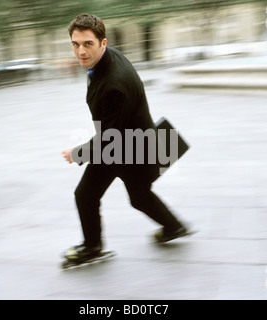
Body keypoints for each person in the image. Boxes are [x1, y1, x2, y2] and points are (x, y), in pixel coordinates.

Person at [61, 13, 191, 262]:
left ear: (103, 42)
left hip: (127, 148)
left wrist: (77, 153)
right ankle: (174, 227)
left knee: (87, 195)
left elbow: (110, 139)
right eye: (75, 44)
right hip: (131, 141)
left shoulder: (113, 84)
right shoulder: (107, 59)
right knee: (139, 196)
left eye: (88, 44)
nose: (81, 51)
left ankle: (92, 247)